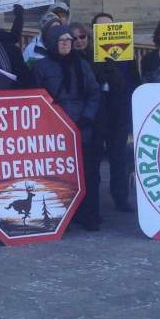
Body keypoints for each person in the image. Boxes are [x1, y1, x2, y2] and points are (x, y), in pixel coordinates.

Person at [32, 25, 102, 229]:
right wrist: (52, 121)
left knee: (88, 172)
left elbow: (94, 93)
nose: (66, 44)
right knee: (59, 175)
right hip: (55, 128)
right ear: (53, 42)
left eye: (68, 40)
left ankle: (89, 214)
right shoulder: (42, 67)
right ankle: (63, 215)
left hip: (82, 126)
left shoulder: (82, 65)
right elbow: (37, 97)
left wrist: (87, 117)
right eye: (61, 40)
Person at [86, 12, 137, 212]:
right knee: (94, 159)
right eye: (101, 27)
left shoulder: (127, 54)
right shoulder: (88, 54)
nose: (106, 30)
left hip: (118, 111)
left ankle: (121, 199)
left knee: (119, 158)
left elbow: (133, 81)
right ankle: (93, 203)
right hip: (97, 113)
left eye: (109, 26)